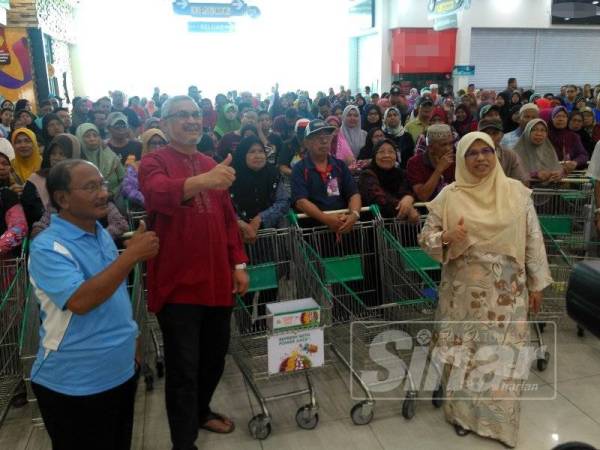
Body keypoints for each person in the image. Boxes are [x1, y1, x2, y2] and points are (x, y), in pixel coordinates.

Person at [419, 131, 552, 449]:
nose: (481, 158)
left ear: (496, 154)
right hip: (462, 295)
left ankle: (500, 424)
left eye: (487, 151)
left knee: (504, 357)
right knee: (466, 357)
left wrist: (537, 283)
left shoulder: (517, 193)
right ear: (462, 159)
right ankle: (462, 415)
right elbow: (426, 239)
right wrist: (447, 236)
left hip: (507, 293)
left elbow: (533, 240)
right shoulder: (449, 196)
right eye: (472, 153)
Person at [138, 95, 249, 449]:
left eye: (196, 115)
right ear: (166, 122)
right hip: (179, 284)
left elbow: (229, 222)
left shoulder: (208, 161)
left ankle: (201, 411)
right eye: (182, 115)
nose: (191, 121)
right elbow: (156, 195)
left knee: (215, 358)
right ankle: (184, 442)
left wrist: (239, 264)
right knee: (183, 369)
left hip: (218, 281)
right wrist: (206, 180)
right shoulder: (154, 161)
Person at [28, 159, 159, 450]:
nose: (103, 193)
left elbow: (113, 294)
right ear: (62, 198)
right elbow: (80, 300)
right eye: (90, 187)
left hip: (120, 372)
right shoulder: (48, 247)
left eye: (102, 184)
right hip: (75, 383)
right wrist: (130, 256)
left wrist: (132, 337)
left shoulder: (99, 233)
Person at [291, 119, 361, 233]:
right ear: (307, 142)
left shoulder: (339, 165)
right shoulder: (299, 169)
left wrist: (354, 215)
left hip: (343, 224)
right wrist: (326, 219)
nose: (324, 141)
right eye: (318, 137)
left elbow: (354, 194)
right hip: (314, 231)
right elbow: (301, 202)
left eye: (327, 137)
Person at [230, 136, 290, 240]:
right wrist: (240, 223)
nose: (258, 156)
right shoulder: (231, 177)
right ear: (242, 155)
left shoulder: (273, 174)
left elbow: (283, 201)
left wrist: (260, 218)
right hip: (239, 235)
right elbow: (225, 206)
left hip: (271, 235)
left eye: (261, 151)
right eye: (252, 152)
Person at [22, 134, 81, 230]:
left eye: (62, 154)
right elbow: (28, 212)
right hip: (43, 232)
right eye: (53, 153)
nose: (56, 158)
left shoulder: (82, 180)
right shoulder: (36, 179)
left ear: (73, 155)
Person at [358, 139, 418, 220]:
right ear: (374, 155)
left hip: (402, 227)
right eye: (381, 152)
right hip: (376, 226)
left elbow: (409, 189)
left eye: (391, 152)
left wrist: (408, 197)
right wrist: (408, 209)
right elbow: (379, 199)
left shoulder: (401, 173)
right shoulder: (366, 175)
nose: (387, 155)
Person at [406, 124, 455, 202]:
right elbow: (423, 196)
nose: (449, 148)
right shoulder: (414, 163)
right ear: (430, 148)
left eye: (450, 143)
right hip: (425, 210)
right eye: (443, 145)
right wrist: (439, 169)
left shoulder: (455, 161)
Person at [121, 129, 167, 208]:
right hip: (143, 210)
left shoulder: (170, 164)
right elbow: (128, 190)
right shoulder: (135, 167)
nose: (158, 147)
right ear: (146, 145)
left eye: (161, 143)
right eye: (153, 143)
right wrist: (151, 201)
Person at [76, 123, 124, 198]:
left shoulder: (111, 156)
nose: (92, 139)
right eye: (87, 136)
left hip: (116, 199)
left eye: (95, 135)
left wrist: (112, 193)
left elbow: (124, 179)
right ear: (80, 139)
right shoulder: (76, 162)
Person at [478, 118, 528, 185]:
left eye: (495, 133)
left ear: (501, 135)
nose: (490, 137)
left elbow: (521, 181)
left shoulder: (510, 155)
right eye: (485, 133)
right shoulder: (471, 155)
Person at [547, 106, 588, 172]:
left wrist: (575, 162)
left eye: (564, 116)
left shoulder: (574, 136)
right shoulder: (545, 135)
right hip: (549, 172)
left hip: (568, 174)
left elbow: (583, 155)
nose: (561, 119)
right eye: (557, 116)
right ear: (552, 119)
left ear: (567, 119)